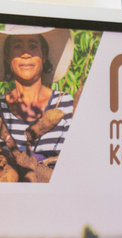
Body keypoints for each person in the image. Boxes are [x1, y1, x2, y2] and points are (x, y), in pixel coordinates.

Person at [0, 25, 75, 170]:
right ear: (8, 57)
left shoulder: (66, 105)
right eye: (17, 46)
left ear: (44, 55)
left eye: (33, 46)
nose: (25, 53)